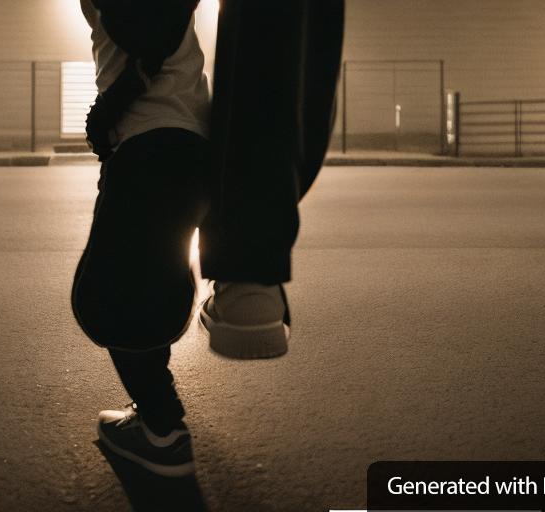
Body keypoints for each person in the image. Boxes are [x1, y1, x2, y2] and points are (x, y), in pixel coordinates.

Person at [71, 0, 344, 478]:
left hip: (148, 142)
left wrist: (117, 100)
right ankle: (241, 286)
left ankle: (162, 431)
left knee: (114, 297)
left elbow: (149, 31)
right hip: (193, 141)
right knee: (145, 280)